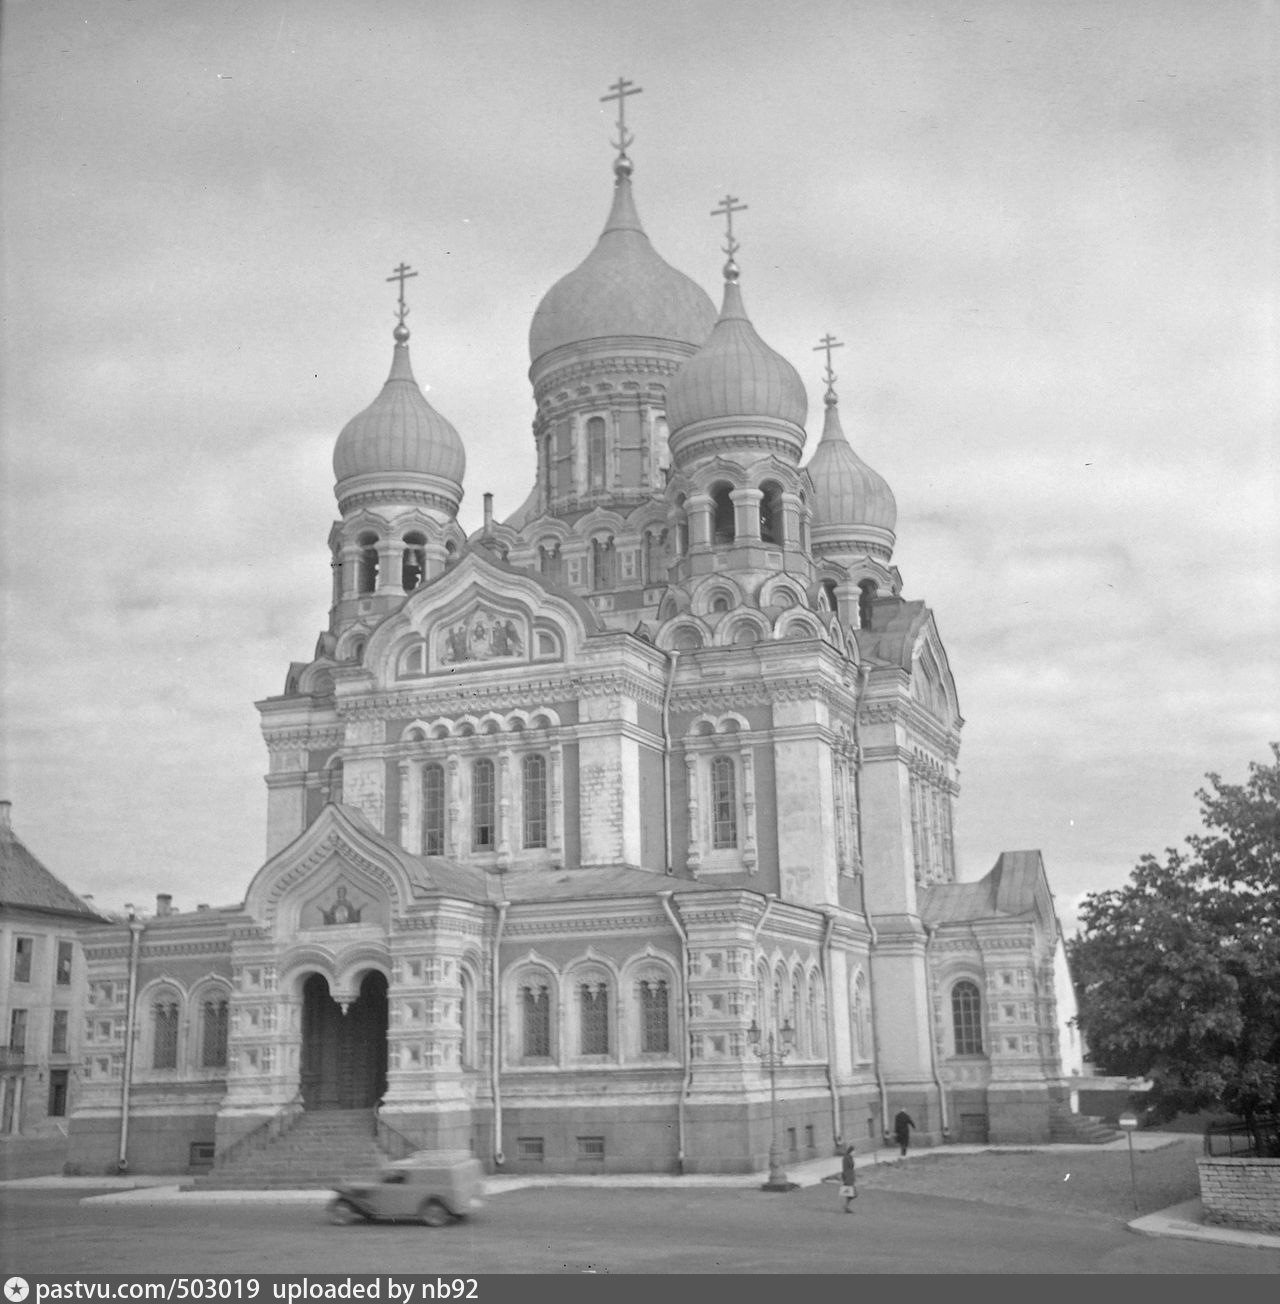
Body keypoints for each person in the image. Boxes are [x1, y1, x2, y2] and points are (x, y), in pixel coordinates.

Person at [840, 1144, 857, 1213]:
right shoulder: (847, 1158)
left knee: (850, 1193)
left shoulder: (848, 1157)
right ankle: (846, 1206)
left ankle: (846, 1206)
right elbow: (850, 1165)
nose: (855, 1153)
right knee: (852, 1193)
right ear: (851, 1151)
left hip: (849, 1177)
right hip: (848, 1177)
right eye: (854, 1151)